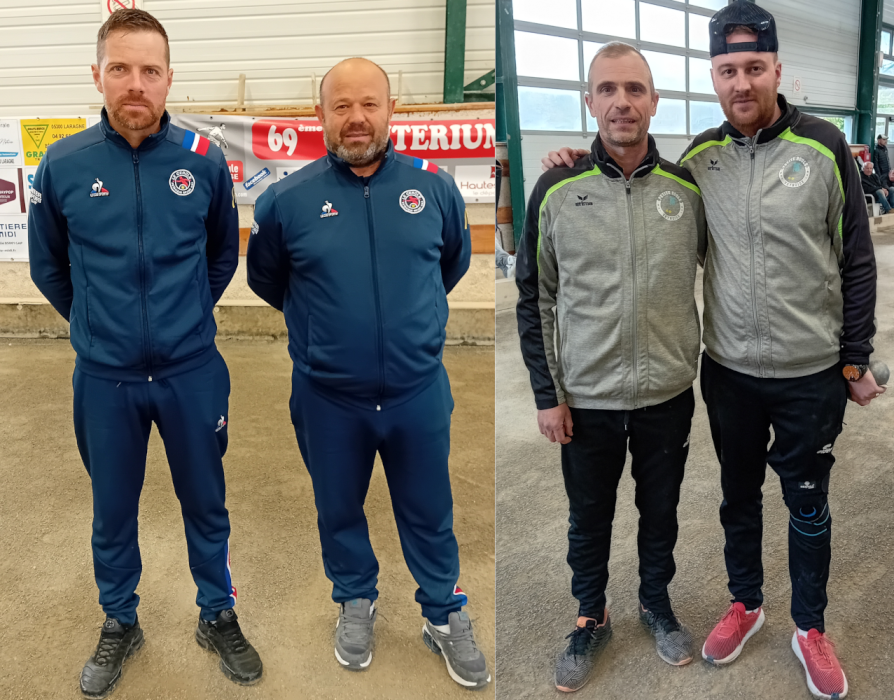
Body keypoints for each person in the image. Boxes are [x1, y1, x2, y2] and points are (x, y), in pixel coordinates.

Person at [540, 4, 881, 698]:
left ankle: (809, 626)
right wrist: (575, 158)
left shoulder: (824, 149)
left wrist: (856, 356)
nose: (741, 83)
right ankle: (746, 603)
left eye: (754, 68)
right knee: (737, 497)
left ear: (777, 70)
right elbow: (637, 195)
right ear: (713, 77)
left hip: (810, 372)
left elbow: (857, 259)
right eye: (728, 70)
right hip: (727, 372)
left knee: (808, 501)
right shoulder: (700, 161)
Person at [27, 9, 262, 698]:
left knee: (205, 501)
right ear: (97, 74)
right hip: (105, 381)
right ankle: (119, 621)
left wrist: (179, 317)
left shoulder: (203, 161)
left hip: (191, 373)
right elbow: (48, 267)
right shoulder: (65, 162)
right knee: (112, 509)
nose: (136, 84)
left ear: (168, 78)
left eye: (150, 70)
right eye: (121, 68)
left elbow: (222, 254)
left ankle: (217, 612)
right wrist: (101, 326)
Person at [245, 57, 490, 689]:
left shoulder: (434, 191)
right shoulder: (284, 202)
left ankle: (443, 611)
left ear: (391, 108)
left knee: (431, 509)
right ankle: (355, 598)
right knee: (338, 508)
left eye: (370, 104)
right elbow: (270, 281)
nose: (357, 119)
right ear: (320, 115)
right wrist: (333, 337)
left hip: (416, 393)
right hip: (328, 399)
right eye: (342, 106)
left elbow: (449, 268)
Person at [516, 42, 707, 693]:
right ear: (589, 100)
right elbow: (533, 296)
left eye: (634, 89)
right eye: (607, 89)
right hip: (586, 397)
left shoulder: (686, 190)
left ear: (654, 101)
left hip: (668, 392)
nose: (621, 101)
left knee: (662, 511)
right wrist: (548, 393)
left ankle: (655, 603)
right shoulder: (556, 188)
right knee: (588, 516)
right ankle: (590, 614)